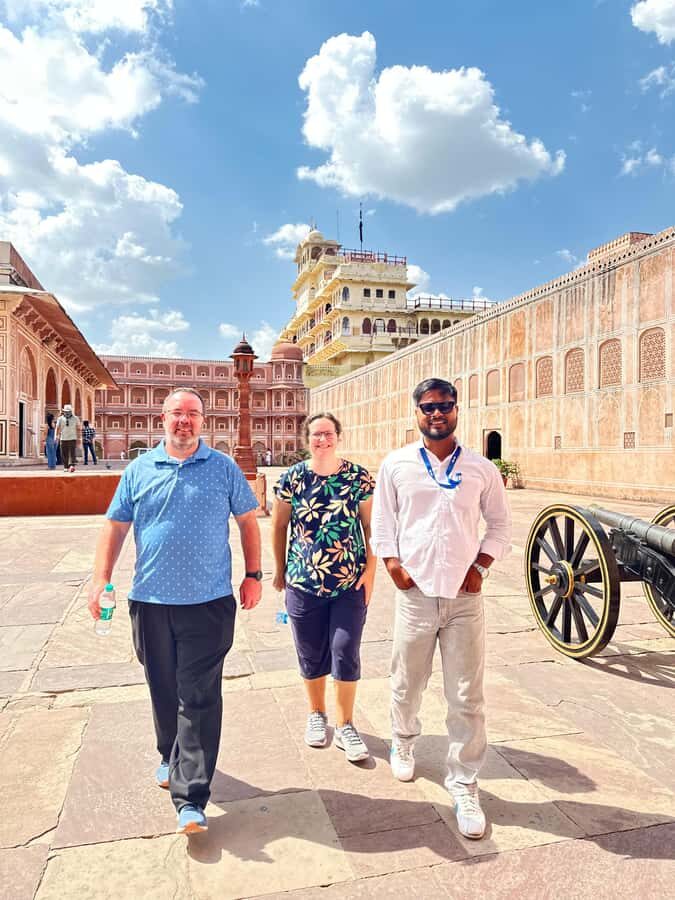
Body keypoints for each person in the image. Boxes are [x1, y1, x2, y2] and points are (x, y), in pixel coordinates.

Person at [88, 388, 262, 835]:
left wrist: (254, 574)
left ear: (203, 420)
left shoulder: (223, 467)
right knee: (163, 688)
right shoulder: (139, 469)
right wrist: (100, 579)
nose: (184, 421)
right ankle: (170, 753)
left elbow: (247, 521)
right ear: (162, 418)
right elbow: (116, 526)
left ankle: (191, 798)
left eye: (193, 414)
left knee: (199, 696)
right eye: (177, 414)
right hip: (151, 601)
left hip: (208, 602)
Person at [371, 378, 511, 840]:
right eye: (428, 407)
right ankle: (403, 740)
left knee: (467, 695)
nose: (437, 413)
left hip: (464, 599)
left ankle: (464, 782)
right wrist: (392, 565)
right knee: (407, 681)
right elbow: (383, 522)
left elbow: (500, 525)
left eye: (445, 406)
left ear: (456, 410)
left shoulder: (480, 468)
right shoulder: (397, 464)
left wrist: (481, 566)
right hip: (415, 596)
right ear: (416, 412)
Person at [272, 412, 376, 762]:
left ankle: (346, 725)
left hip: (349, 580)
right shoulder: (293, 478)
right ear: (307, 439)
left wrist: (371, 570)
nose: (322, 440)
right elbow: (279, 526)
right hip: (303, 580)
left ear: (338, 436)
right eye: (316, 435)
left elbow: (370, 527)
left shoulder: (358, 477)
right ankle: (317, 714)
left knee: (345, 649)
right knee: (310, 651)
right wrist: (279, 570)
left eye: (328, 433)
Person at [55, 403, 80, 472]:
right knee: (64, 453)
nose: (67, 413)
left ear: (71, 411)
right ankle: (65, 466)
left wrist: (79, 438)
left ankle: (72, 465)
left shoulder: (75, 418)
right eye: (66, 411)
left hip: (72, 438)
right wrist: (56, 436)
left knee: (72, 453)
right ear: (64, 411)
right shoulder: (60, 418)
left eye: (68, 411)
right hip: (63, 438)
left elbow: (78, 428)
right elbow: (57, 428)